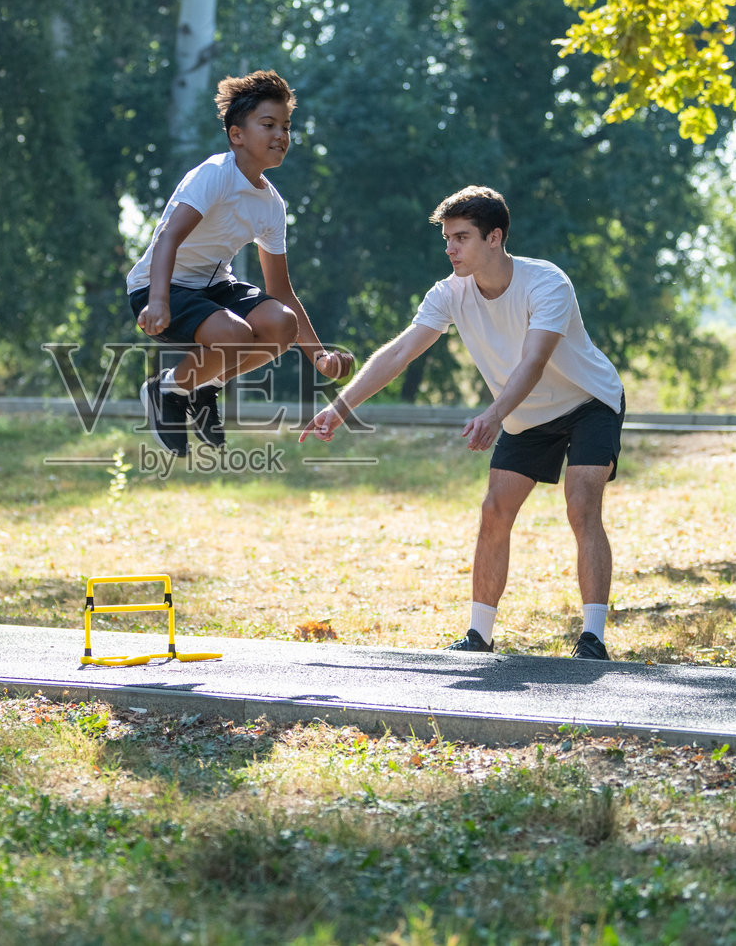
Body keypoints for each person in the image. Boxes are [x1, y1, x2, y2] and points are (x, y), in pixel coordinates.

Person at [299, 185, 624, 660]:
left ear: (495, 237)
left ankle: (592, 639)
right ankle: (479, 637)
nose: (450, 248)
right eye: (447, 239)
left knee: (581, 504)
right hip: (524, 414)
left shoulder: (547, 283)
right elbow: (400, 352)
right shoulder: (449, 293)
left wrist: (493, 415)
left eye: (461, 238)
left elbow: (534, 362)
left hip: (589, 401)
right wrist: (340, 407)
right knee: (494, 510)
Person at [129, 70, 353, 456]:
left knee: (282, 324)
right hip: (158, 286)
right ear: (237, 135)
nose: (281, 135)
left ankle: (203, 387)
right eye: (268, 125)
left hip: (214, 287)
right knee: (234, 336)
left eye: (286, 126)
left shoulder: (272, 205)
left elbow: (281, 291)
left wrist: (319, 356)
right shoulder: (214, 174)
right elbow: (168, 237)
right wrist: (159, 300)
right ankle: (166, 390)